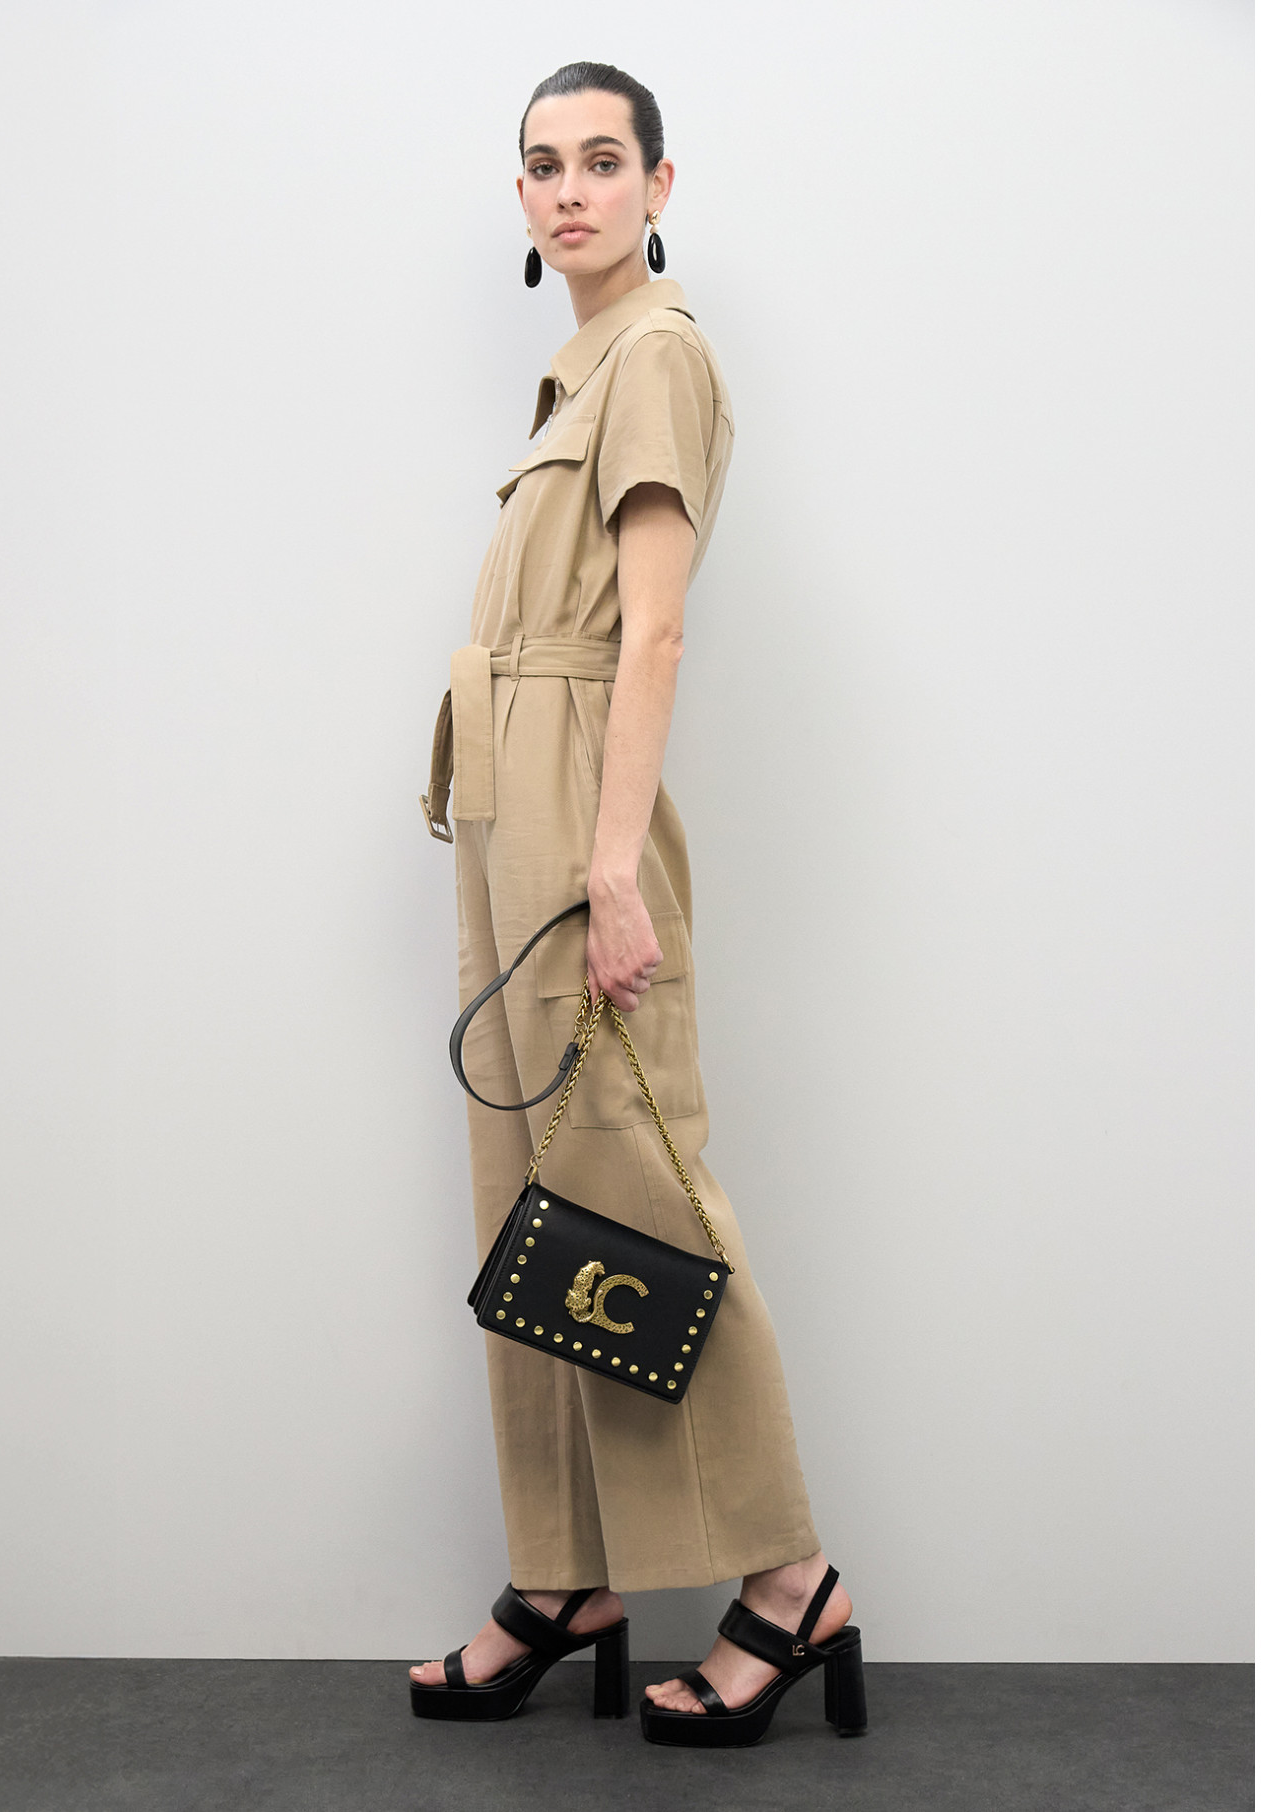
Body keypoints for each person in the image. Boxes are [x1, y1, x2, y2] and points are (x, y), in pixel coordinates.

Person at [410, 62, 865, 1747]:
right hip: (513, 797)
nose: (570, 190)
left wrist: (609, 867)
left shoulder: (657, 355)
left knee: (636, 1192)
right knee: (534, 1197)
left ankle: (791, 1580)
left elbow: (653, 627)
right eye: (543, 165)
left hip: (576, 801)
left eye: (603, 160)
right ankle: (566, 1572)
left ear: (660, 186)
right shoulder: (581, 365)